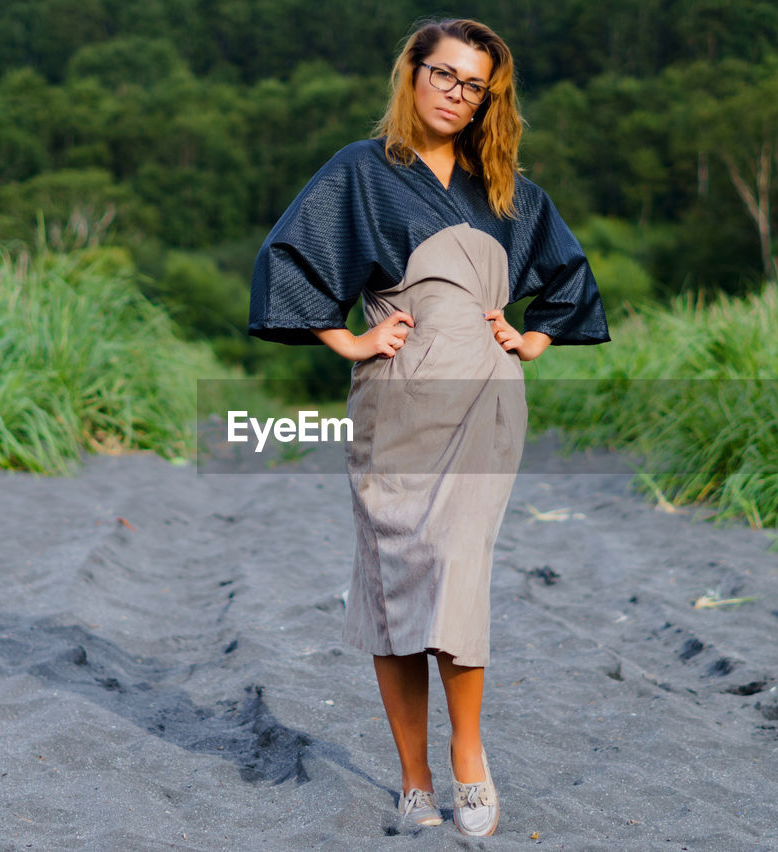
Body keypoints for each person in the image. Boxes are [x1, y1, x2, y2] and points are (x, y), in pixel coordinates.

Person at [248, 18, 609, 836]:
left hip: (485, 399)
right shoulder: (360, 172)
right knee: (395, 580)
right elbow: (290, 260)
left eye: (473, 83)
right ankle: (413, 778)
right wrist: (348, 338)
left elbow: (568, 277)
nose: (455, 92)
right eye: (442, 74)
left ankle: (468, 756)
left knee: (457, 566)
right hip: (397, 401)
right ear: (411, 75)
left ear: (490, 98)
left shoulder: (504, 184)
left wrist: (534, 336)